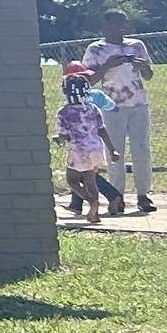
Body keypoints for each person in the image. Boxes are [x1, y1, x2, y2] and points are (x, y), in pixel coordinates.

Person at [84, 8, 157, 214]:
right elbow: (88, 80)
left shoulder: (136, 45)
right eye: (117, 23)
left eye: (124, 23)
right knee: (114, 152)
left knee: (141, 149)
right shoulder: (96, 49)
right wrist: (107, 65)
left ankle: (143, 194)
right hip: (111, 106)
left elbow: (149, 75)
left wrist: (143, 67)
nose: (121, 27)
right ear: (106, 25)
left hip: (138, 104)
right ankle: (117, 196)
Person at [57, 71, 112, 223]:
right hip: (95, 148)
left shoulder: (64, 112)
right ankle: (95, 215)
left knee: (72, 180)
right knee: (90, 180)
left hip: (79, 150)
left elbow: (65, 135)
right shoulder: (93, 109)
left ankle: (91, 201)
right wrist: (112, 149)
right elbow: (101, 129)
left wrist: (59, 138)